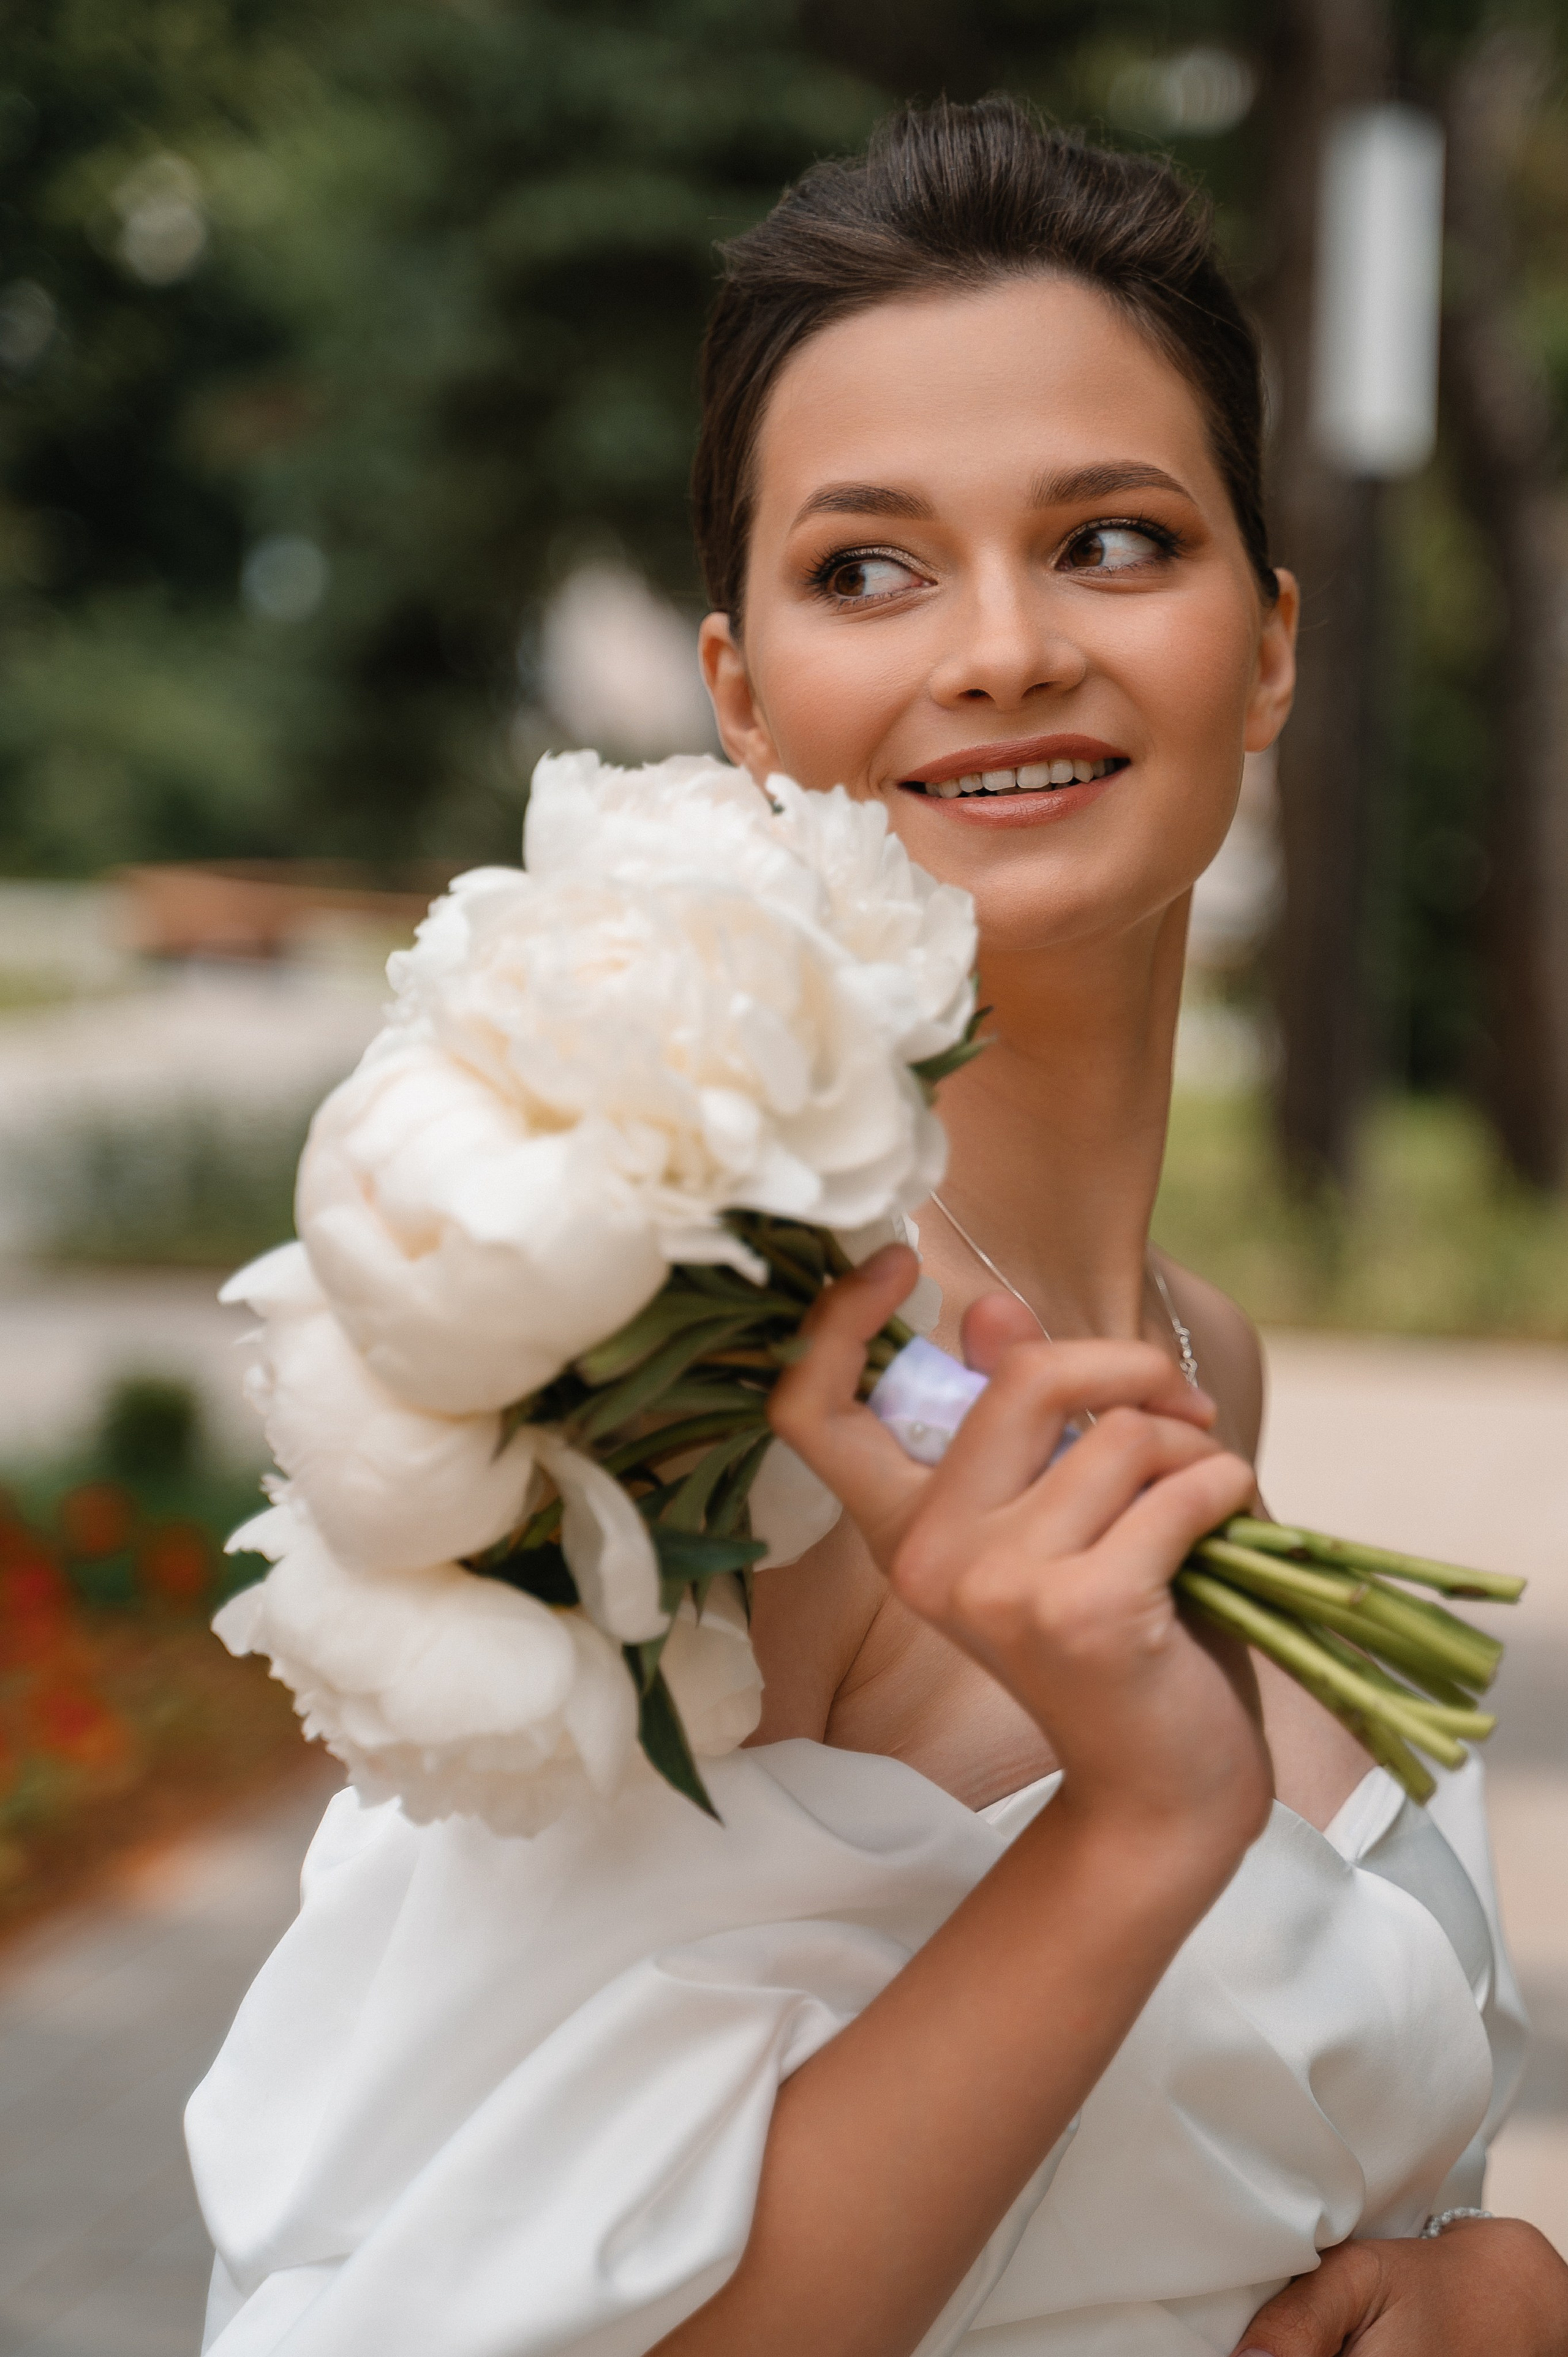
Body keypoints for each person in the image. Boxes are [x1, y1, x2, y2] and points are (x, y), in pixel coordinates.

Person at [186, 99, 1568, 2356]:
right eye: (868, 568)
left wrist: (1503, 2292)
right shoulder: (741, 1403)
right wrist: (1128, 1833)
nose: (1007, 648)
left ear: (1276, 643)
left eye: (1116, 539)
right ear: (740, 699)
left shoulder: (1201, 1354)